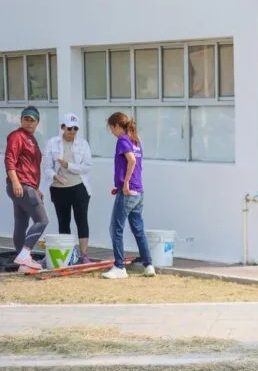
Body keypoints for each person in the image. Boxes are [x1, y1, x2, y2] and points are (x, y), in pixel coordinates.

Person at [101, 111, 155, 279]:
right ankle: (148, 265)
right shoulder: (135, 140)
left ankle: (119, 266)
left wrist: (125, 183)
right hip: (139, 191)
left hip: (128, 191)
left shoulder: (123, 140)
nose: (112, 132)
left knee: (116, 228)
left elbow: (131, 160)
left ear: (117, 126)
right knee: (138, 230)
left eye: (111, 128)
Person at [43, 113, 94, 264]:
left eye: (75, 129)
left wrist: (68, 165)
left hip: (79, 187)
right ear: (63, 128)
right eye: (69, 128)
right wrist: (54, 176)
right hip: (59, 189)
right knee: (63, 221)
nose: (72, 132)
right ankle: (68, 254)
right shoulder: (53, 143)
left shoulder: (83, 144)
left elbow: (87, 167)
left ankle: (84, 255)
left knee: (81, 220)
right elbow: (46, 167)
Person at [4, 106, 48, 271]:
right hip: (20, 185)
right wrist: (15, 182)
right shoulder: (17, 136)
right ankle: (25, 253)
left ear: (37, 123)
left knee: (21, 223)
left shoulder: (32, 139)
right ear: (21, 120)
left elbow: (32, 166)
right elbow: (10, 160)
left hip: (27, 186)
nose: (29, 123)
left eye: (32, 120)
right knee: (42, 220)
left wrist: (36, 188)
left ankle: (23, 263)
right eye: (26, 119)